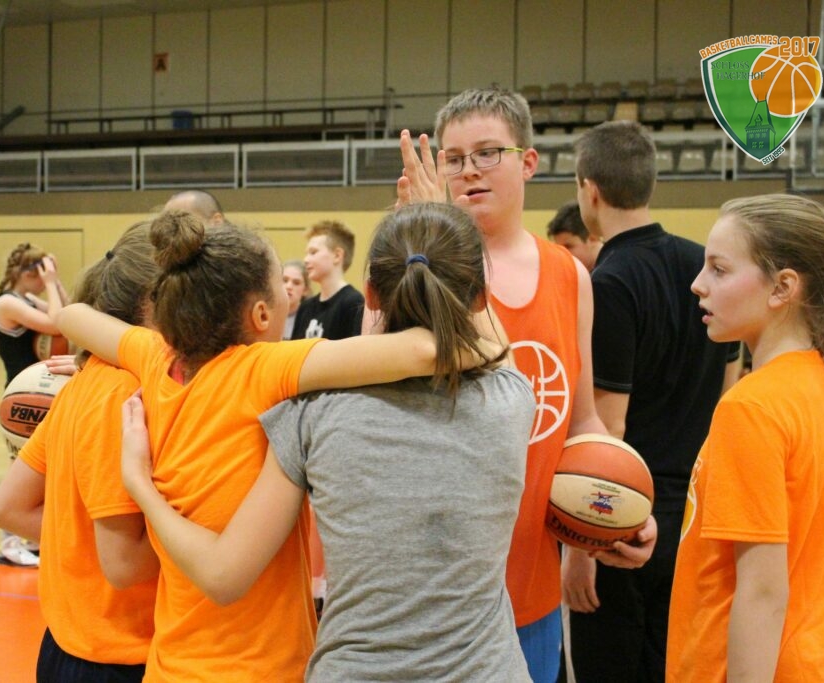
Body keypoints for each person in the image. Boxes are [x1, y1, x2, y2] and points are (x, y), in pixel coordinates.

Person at [56, 209, 499, 680]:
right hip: (257, 669)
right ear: (262, 314)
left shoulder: (154, 358)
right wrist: (493, 346)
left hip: (171, 665)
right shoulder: (262, 369)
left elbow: (71, 315)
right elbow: (427, 350)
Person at [396, 87, 656, 683]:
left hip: (533, 589)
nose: (469, 171)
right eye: (454, 158)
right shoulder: (410, 269)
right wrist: (428, 235)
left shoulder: (571, 276)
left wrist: (616, 508)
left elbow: (582, 421)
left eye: (488, 153)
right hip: (434, 589)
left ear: (529, 162)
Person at [563, 121, 741, 682]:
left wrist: (581, 547)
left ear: (589, 190)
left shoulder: (610, 281)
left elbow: (608, 429)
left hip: (626, 521)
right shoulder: (704, 266)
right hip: (693, 511)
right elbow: (728, 393)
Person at [667, 193, 824, 681]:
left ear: (782, 287)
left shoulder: (751, 408)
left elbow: (763, 593)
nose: (697, 284)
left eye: (719, 269)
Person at [0, 223, 160, 682]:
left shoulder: (85, 381)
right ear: (155, 301)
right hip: (121, 651)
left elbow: (7, 508)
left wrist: (83, 542)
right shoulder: (127, 392)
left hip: (66, 643)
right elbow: (123, 564)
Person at [0, 242, 69, 567]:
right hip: (21, 395)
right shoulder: (7, 302)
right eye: (42, 274)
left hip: (41, 391)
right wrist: (50, 283)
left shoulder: (27, 299)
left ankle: (35, 538)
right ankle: (9, 544)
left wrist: (55, 282)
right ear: (28, 274)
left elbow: (67, 314)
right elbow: (56, 324)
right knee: (19, 470)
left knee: (43, 471)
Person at [290, 220, 364, 340]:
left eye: (313, 252)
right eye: (307, 253)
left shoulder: (353, 303)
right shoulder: (305, 307)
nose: (306, 259)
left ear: (337, 255)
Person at [546, 200, 602, 272]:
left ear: (593, 238)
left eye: (568, 246)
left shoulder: (611, 271)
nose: (561, 254)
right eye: (558, 248)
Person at [282, 260, 310, 340]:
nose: (289, 286)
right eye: (285, 280)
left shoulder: (310, 319)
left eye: (296, 283)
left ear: (305, 290)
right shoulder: (266, 315)